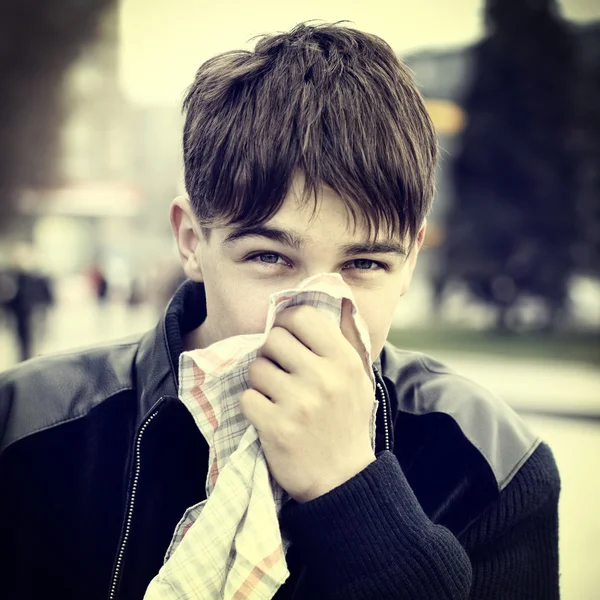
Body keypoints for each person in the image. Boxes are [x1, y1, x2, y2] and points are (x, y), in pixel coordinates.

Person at [0, 22, 559, 600]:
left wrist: (350, 488)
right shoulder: (26, 426)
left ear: (410, 261)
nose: (314, 316)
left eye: (365, 264)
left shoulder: (492, 461)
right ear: (192, 240)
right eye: (269, 256)